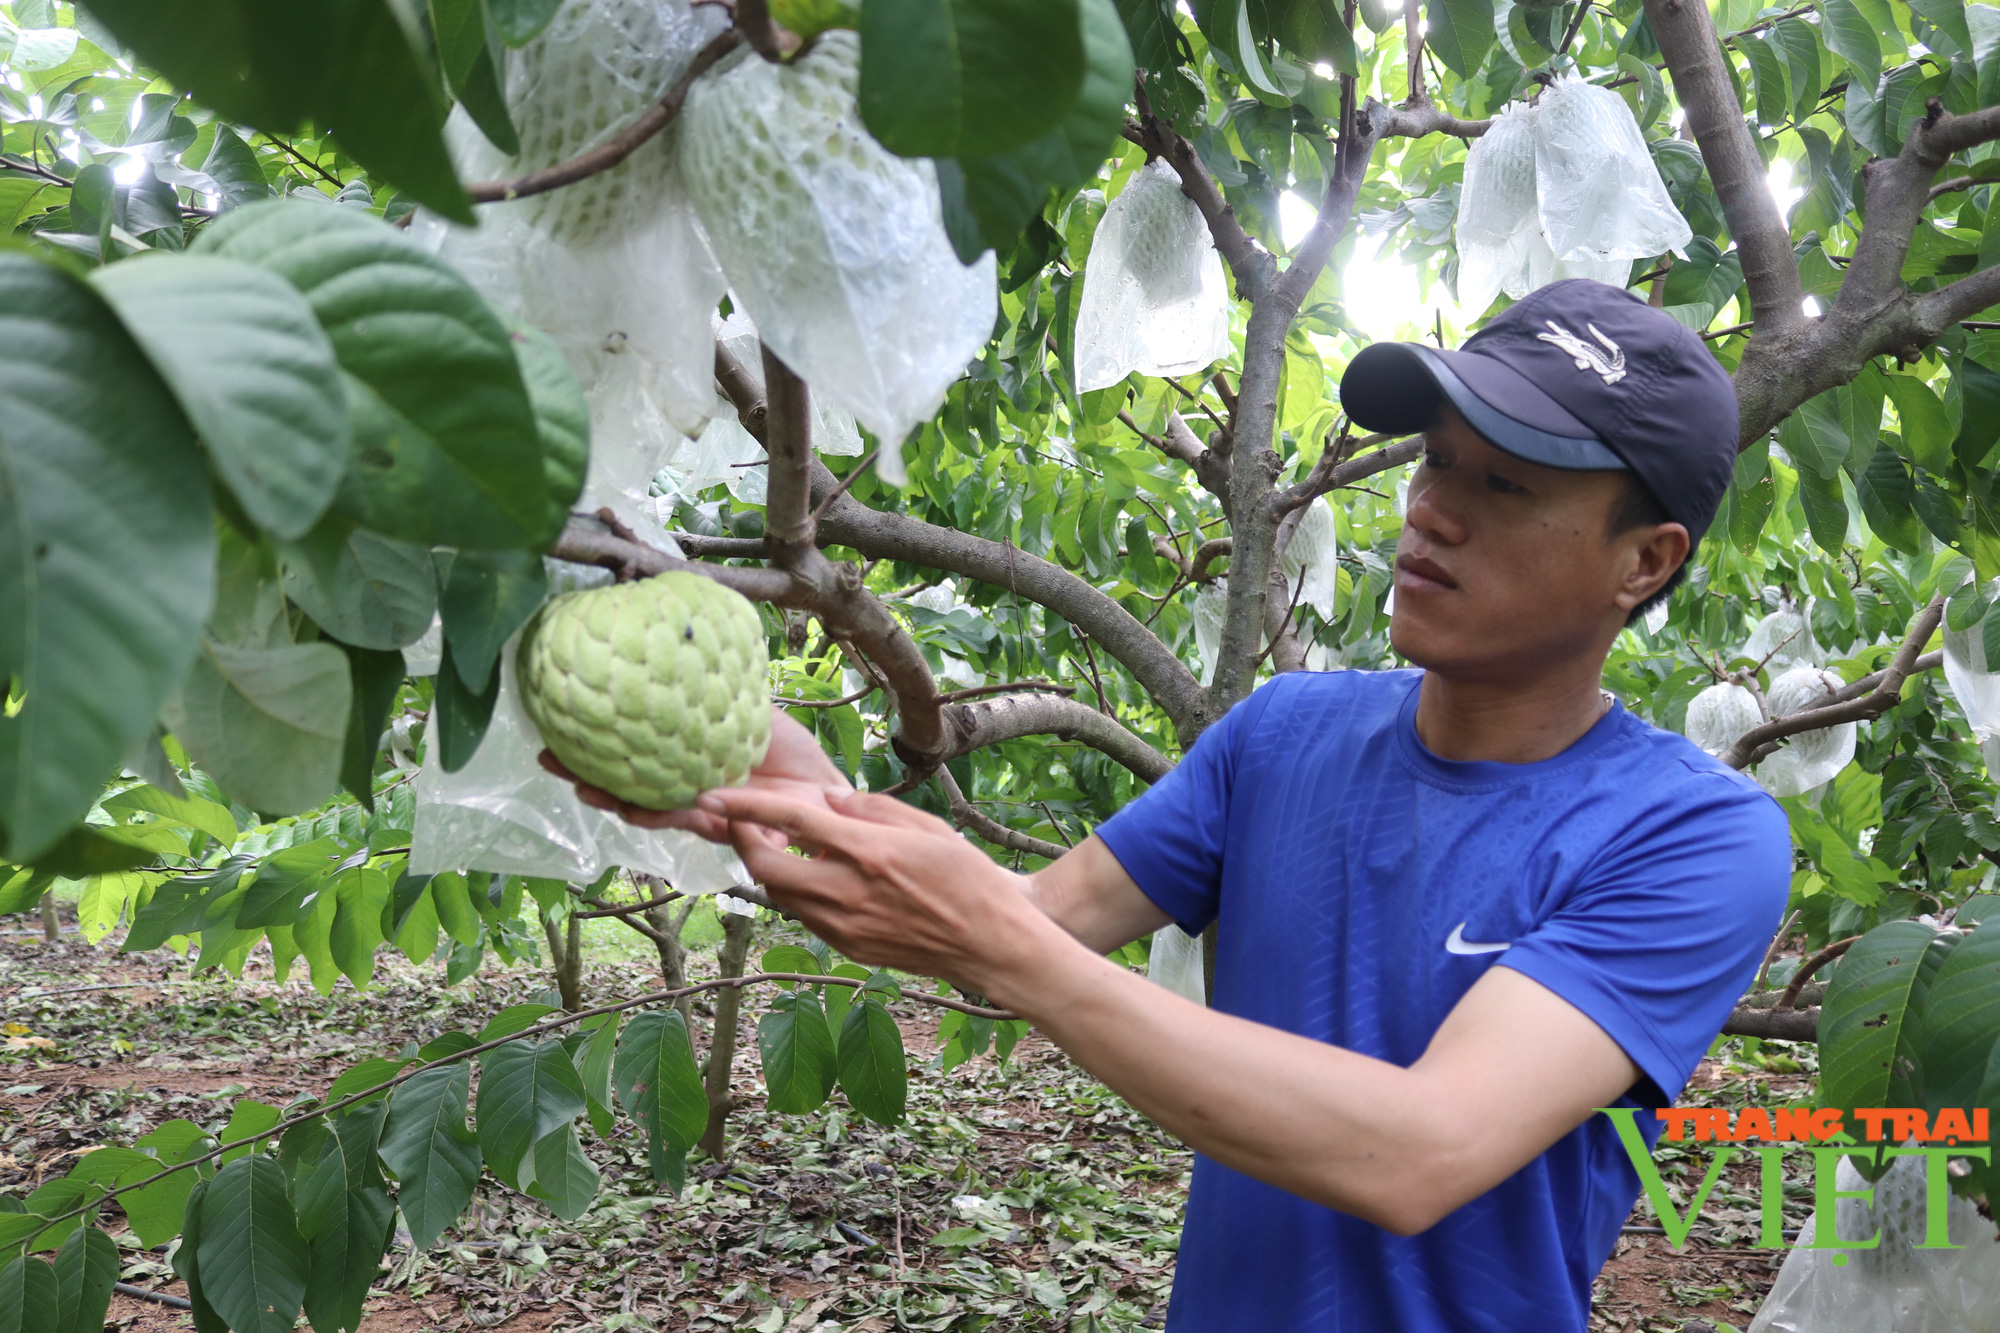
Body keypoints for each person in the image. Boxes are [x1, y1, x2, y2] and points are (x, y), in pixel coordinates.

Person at [554, 279, 1794, 1331]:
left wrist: (1004, 947)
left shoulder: (1690, 835)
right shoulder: (1283, 733)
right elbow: (1022, 928)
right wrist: (773, 787)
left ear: (1644, 560)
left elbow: (1421, 1149)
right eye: (1432, 462)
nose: (1429, 511)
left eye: (1507, 486)